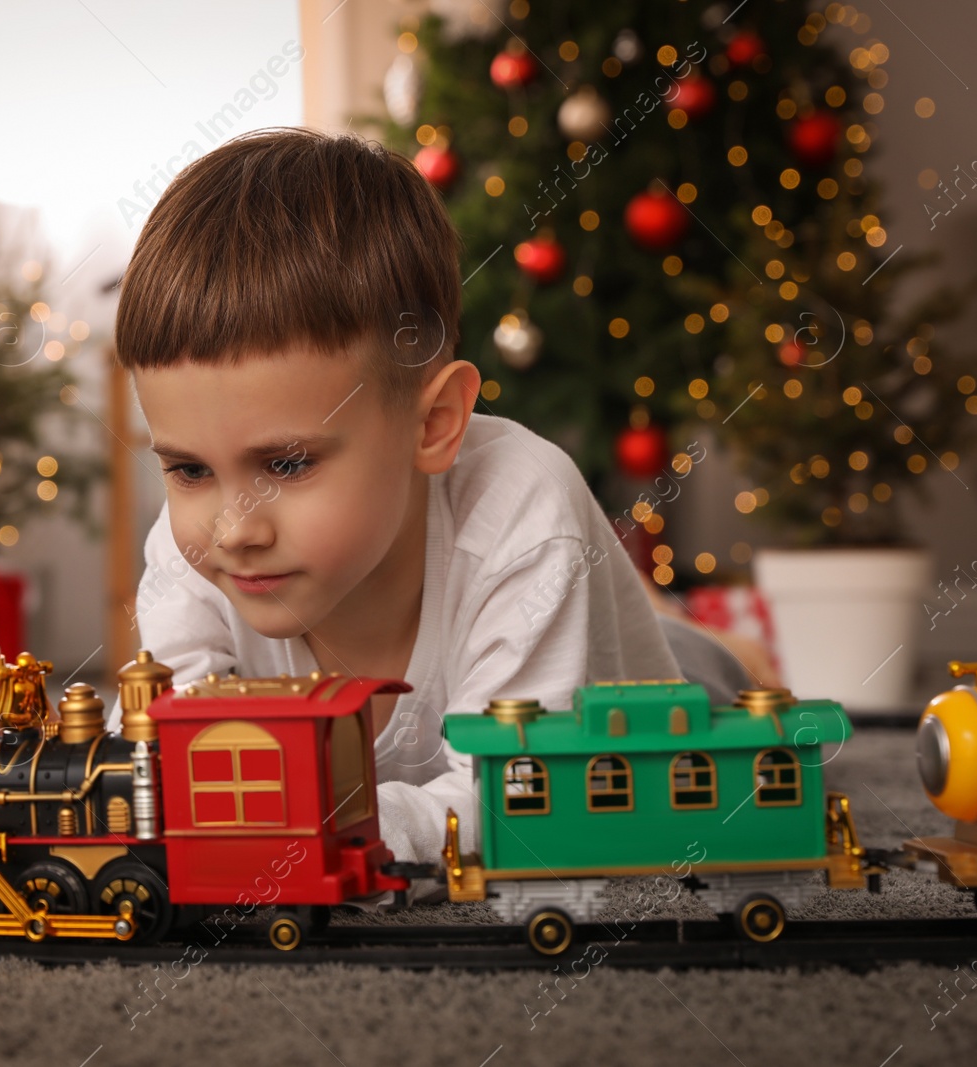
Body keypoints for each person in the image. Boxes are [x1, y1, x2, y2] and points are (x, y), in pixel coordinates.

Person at [100, 126, 689, 885]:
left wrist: (330, 829)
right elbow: (151, 760)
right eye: (187, 469)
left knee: (709, 674)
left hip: (636, 675)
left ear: (434, 423)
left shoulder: (524, 518)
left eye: (286, 463)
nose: (233, 528)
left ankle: (695, 630)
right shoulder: (196, 554)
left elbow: (525, 795)